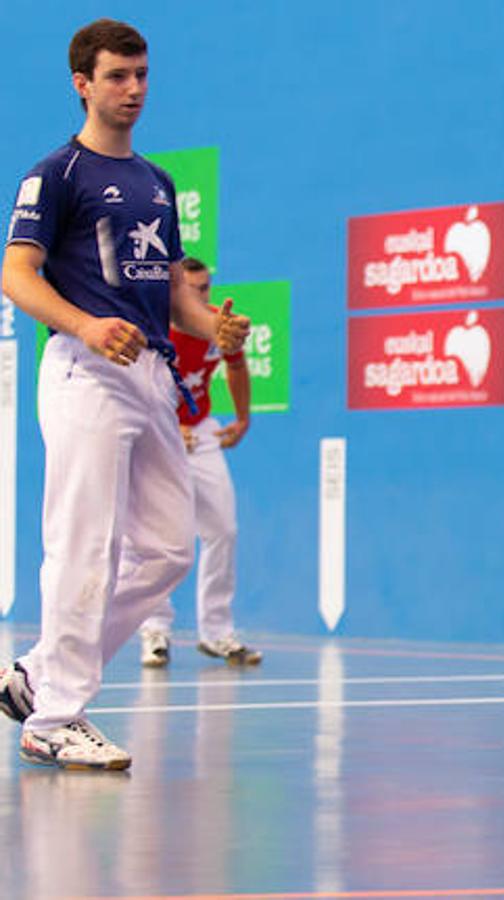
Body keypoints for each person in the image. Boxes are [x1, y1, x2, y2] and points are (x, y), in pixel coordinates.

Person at [0, 19, 251, 770]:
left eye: (141, 74)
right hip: (84, 369)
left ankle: (39, 675)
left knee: (170, 549)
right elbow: (16, 274)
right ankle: (56, 715)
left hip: (151, 375)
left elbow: (173, 293)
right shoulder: (57, 174)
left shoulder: (158, 182)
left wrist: (216, 327)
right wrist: (85, 324)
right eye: (117, 76)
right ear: (83, 82)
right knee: (84, 541)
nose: (134, 89)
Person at [138, 256, 262, 668]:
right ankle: (155, 629)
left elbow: (237, 364)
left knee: (223, 529)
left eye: (205, 288)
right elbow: (136, 389)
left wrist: (242, 417)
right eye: (191, 290)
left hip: (202, 431)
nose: (200, 297)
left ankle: (217, 631)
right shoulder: (154, 326)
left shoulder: (215, 325)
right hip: (156, 433)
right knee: (160, 540)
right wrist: (169, 427)